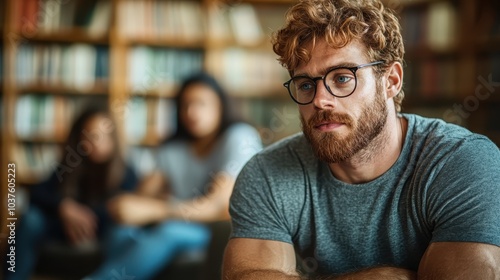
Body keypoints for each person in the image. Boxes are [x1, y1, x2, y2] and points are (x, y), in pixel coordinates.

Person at [223, 0, 500, 279]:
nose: (320, 100)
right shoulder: (266, 173)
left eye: (342, 78)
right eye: (306, 85)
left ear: (391, 80)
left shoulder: (463, 161)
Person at [85, 72, 262, 279]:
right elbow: (142, 197)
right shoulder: (172, 148)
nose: (192, 112)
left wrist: (156, 209)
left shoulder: (239, 137)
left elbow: (217, 207)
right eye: (185, 105)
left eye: (201, 104)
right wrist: (135, 206)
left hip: (218, 230)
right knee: (121, 232)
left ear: (220, 106)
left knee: (170, 231)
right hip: (176, 223)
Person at [6, 106, 139, 280]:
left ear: (114, 139)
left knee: (124, 232)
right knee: (30, 218)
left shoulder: (126, 173)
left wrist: (82, 215)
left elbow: (123, 210)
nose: (97, 142)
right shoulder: (71, 163)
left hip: (102, 231)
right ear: (80, 137)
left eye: (104, 136)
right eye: (91, 135)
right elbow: (37, 193)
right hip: (62, 228)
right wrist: (64, 207)